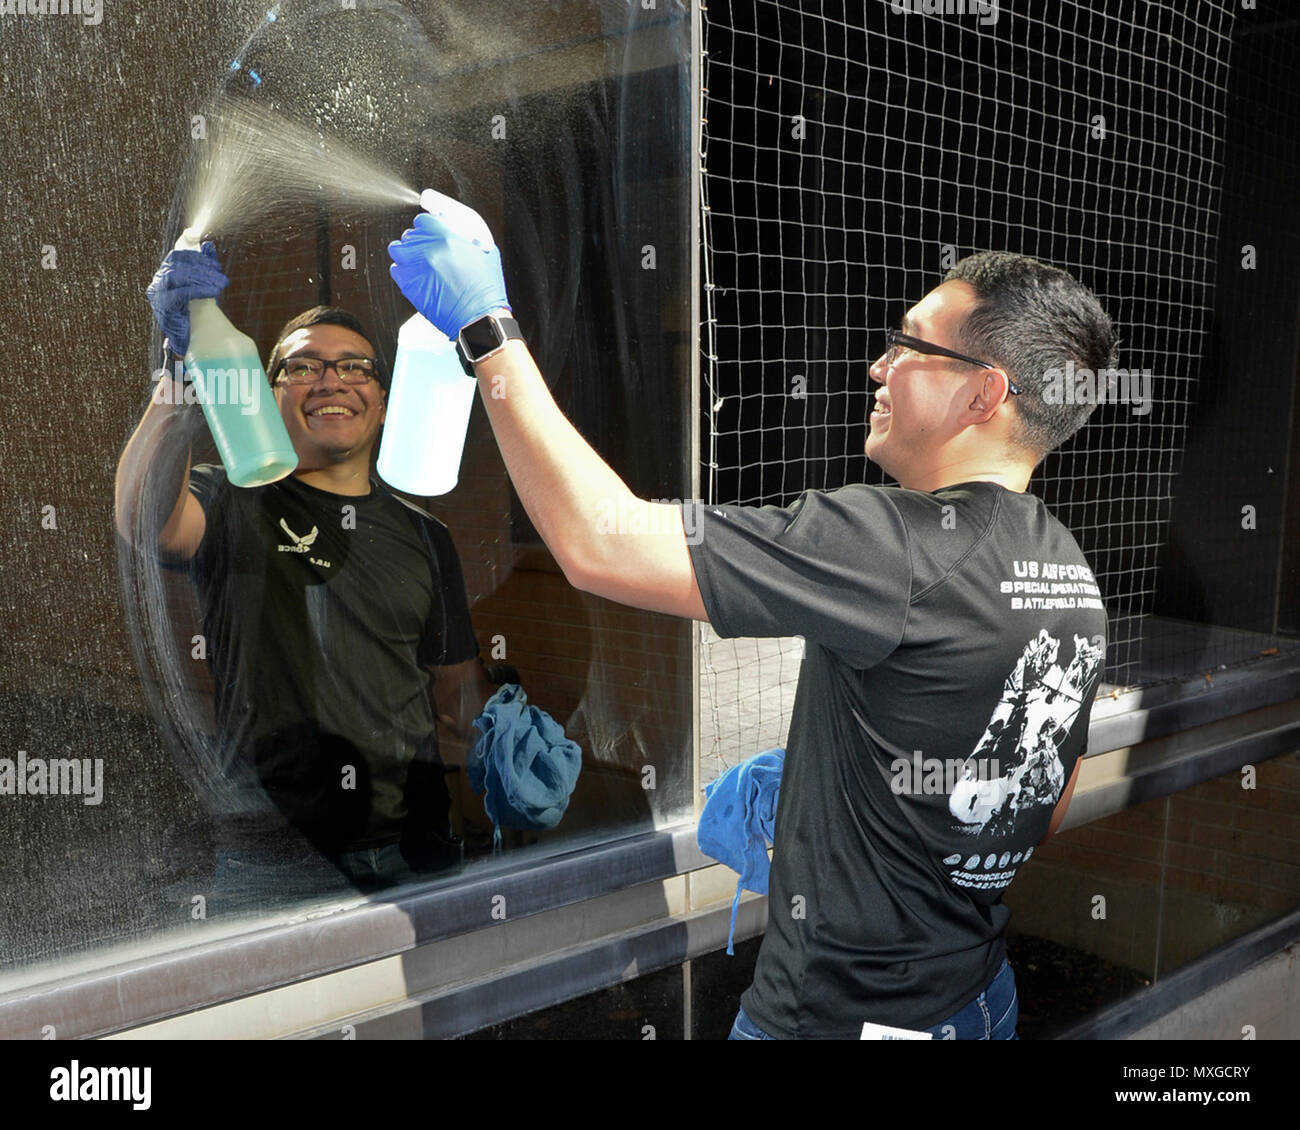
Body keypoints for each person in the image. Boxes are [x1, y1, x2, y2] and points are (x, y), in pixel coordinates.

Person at [388, 203, 1115, 1039]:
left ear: (984, 393)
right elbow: (1043, 801)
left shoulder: (891, 544)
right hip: (978, 999)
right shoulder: (1065, 569)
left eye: (912, 344)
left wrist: (487, 330)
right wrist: (845, 786)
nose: (881, 365)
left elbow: (599, 541)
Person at [116, 242, 499, 903]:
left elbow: (457, 695)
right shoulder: (232, 499)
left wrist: (507, 739)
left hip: (414, 849)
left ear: (382, 398)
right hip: (273, 858)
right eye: (303, 368)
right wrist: (183, 372)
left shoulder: (425, 535)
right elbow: (149, 524)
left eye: (355, 367)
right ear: (263, 396)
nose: (332, 380)